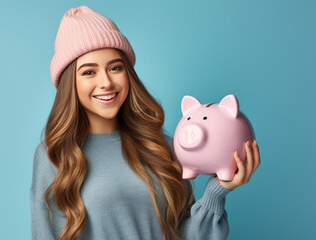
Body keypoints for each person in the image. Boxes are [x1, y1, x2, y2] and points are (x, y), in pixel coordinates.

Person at [30, 5, 260, 240]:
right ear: (70, 84)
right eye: (89, 72)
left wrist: (219, 190)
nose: (106, 82)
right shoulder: (54, 155)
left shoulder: (162, 146)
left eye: (115, 68)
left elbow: (184, 235)